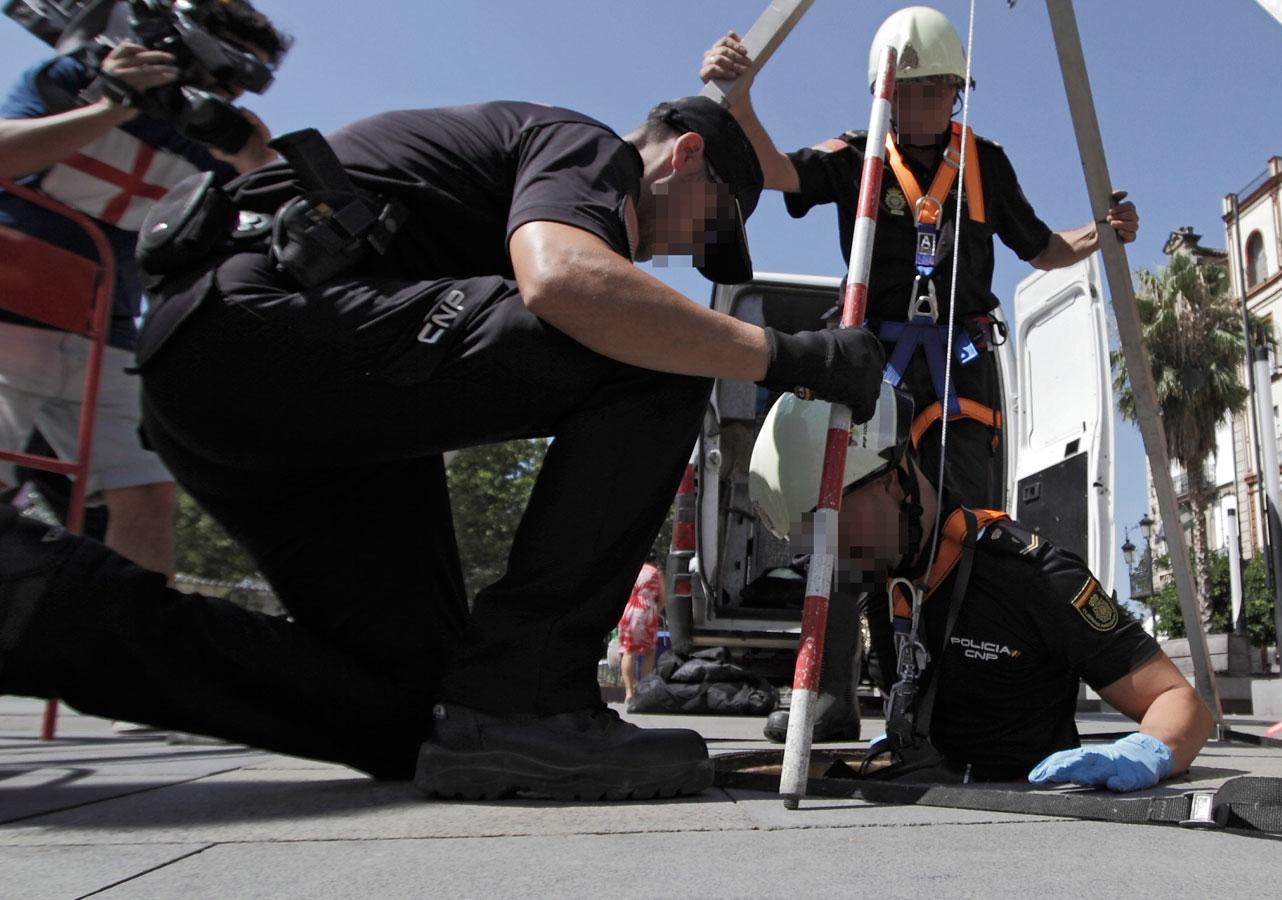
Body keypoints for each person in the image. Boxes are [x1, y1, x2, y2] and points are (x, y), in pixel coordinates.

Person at [0, 94, 884, 802]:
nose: (692, 245)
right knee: (658, 350)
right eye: (710, 222)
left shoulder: (548, 181)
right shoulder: (582, 148)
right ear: (682, 155)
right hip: (259, 327)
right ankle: (531, 695)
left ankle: (38, 600)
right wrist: (789, 355)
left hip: (251, 385)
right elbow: (561, 279)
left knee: (405, 708)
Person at [701, 6, 1141, 743]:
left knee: (963, 524)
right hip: (873, 362)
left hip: (961, 365)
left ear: (957, 92)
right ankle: (832, 695)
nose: (924, 104)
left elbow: (1041, 248)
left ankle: (955, 689)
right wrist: (741, 97)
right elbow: (777, 173)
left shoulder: (985, 162)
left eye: (939, 89)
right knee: (843, 516)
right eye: (909, 90)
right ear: (884, 91)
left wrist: (1103, 233)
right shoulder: (854, 154)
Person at [748, 383, 1211, 787]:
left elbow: (1178, 700)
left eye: (834, 528)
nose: (827, 556)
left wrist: (1147, 753)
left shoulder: (1031, 574)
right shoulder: (883, 577)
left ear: (893, 483)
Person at [0, 1, 287, 582]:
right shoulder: (81, 77)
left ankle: (133, 653)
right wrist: (112, 104)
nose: (232, 91)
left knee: (147, 497)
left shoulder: (215, 139)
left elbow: (280, 229)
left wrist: (257, 161)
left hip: (106, 329)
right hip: (11, 304)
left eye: (246, 82)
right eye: (226, 71)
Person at [618, 561, 666, 702]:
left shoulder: (628, 568)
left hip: (628, 610)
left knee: (628, 650)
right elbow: (662, 598)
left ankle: (629, 692)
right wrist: (655, 610)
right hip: (647, 611)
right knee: (649, 652)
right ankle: (642, 690)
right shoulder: (655, 573)